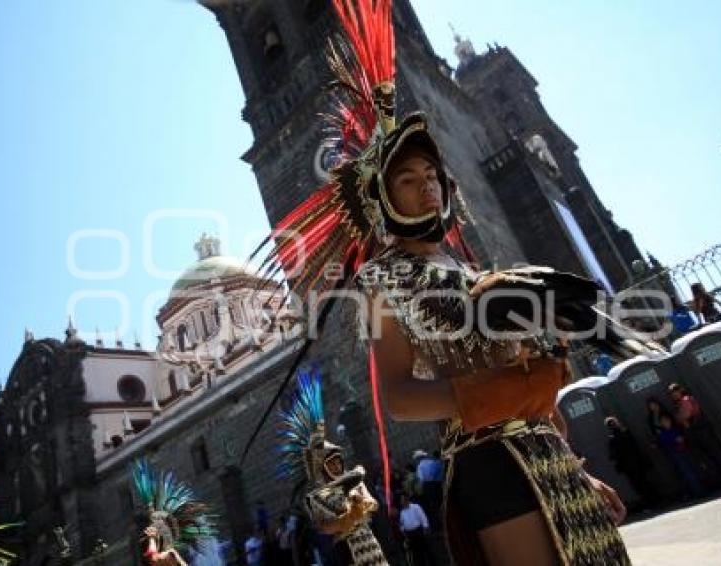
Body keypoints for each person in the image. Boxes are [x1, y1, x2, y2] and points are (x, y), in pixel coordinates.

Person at [246, 2, 634, 563]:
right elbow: (400, 398)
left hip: (551, 459)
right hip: (489, 466)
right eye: (408, 178)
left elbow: (525, 380)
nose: (427, 186)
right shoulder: (381, 280)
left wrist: (579, 471)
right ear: (383, 197)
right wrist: (485, 393)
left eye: (431, 174)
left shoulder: (467, 266)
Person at [277, 369, 387, 565]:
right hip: (343, 551)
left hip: (368, 544)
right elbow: (323, 527)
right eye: (331, 462)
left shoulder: (354, 480)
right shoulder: (317, 496)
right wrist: (351, 515)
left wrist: (355, 509)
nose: (336, 464)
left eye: (337, 460)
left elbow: (373, 506)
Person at [605, 416, 659, 509]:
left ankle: (650, 502)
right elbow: (635, 447)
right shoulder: (625, 433)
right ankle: (655, 500)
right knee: (645, 482)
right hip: (636, 463)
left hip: (628, 466)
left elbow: (613, 456)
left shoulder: (613, 439)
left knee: (639, 485)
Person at [655, 414, 706, 499]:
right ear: (661, 424)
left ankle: (703, 488)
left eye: (667, 420)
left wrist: (682, 439)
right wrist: (674, 440)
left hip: (686, 450)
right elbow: (664, 444)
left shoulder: (677, 429)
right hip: (676, 454)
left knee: (696, 468)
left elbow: (685, 436)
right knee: (687, 472)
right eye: (663, 422)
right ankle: (698, 492)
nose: (666, 423)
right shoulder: (663, 434)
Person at [398, 494, 434, 566]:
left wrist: (426, 527)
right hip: (410, 534)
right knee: (416, 554)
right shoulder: (402, 512)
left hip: (419, 531)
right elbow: (402, 524)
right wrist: (403, 532)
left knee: (427, 550)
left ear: (407, 500)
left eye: (403, 500)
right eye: (401, 501)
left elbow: (423, 517)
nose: (403, 502)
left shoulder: (415, 507)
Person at [413, 450, 444, 529]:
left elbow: (421, 479)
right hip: (438, 484)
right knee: (441, 501)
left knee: (433, 505)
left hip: (428, 486)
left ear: (418, 458)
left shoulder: (420, 466)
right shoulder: (432, 461)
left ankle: (440, 523)